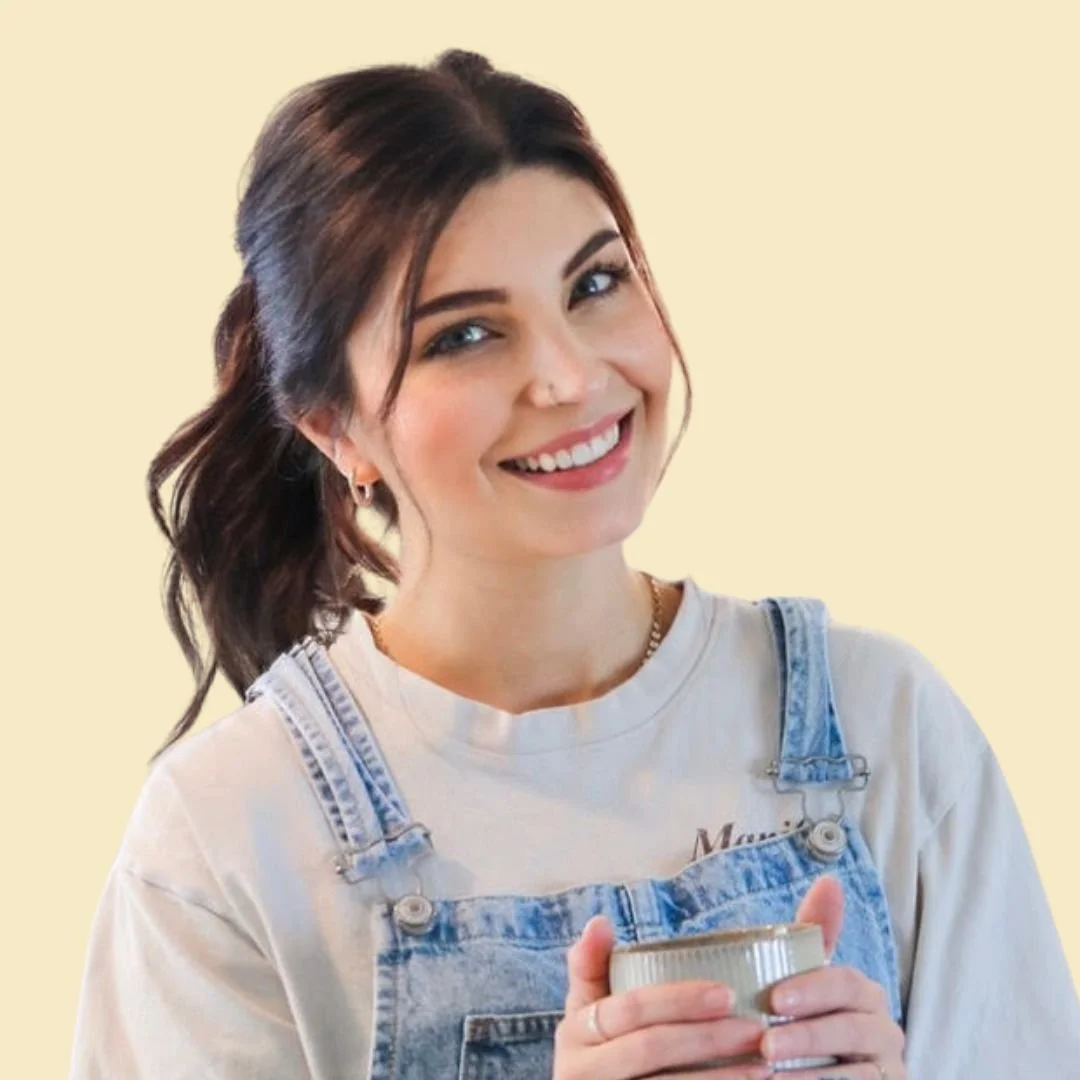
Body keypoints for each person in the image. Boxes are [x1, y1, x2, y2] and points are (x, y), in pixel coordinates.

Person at [68, 48, 1079, 1080]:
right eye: (465, 335)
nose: (569, 377)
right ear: (336, 429)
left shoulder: (884, 724)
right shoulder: (227, 834)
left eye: (595, 284)